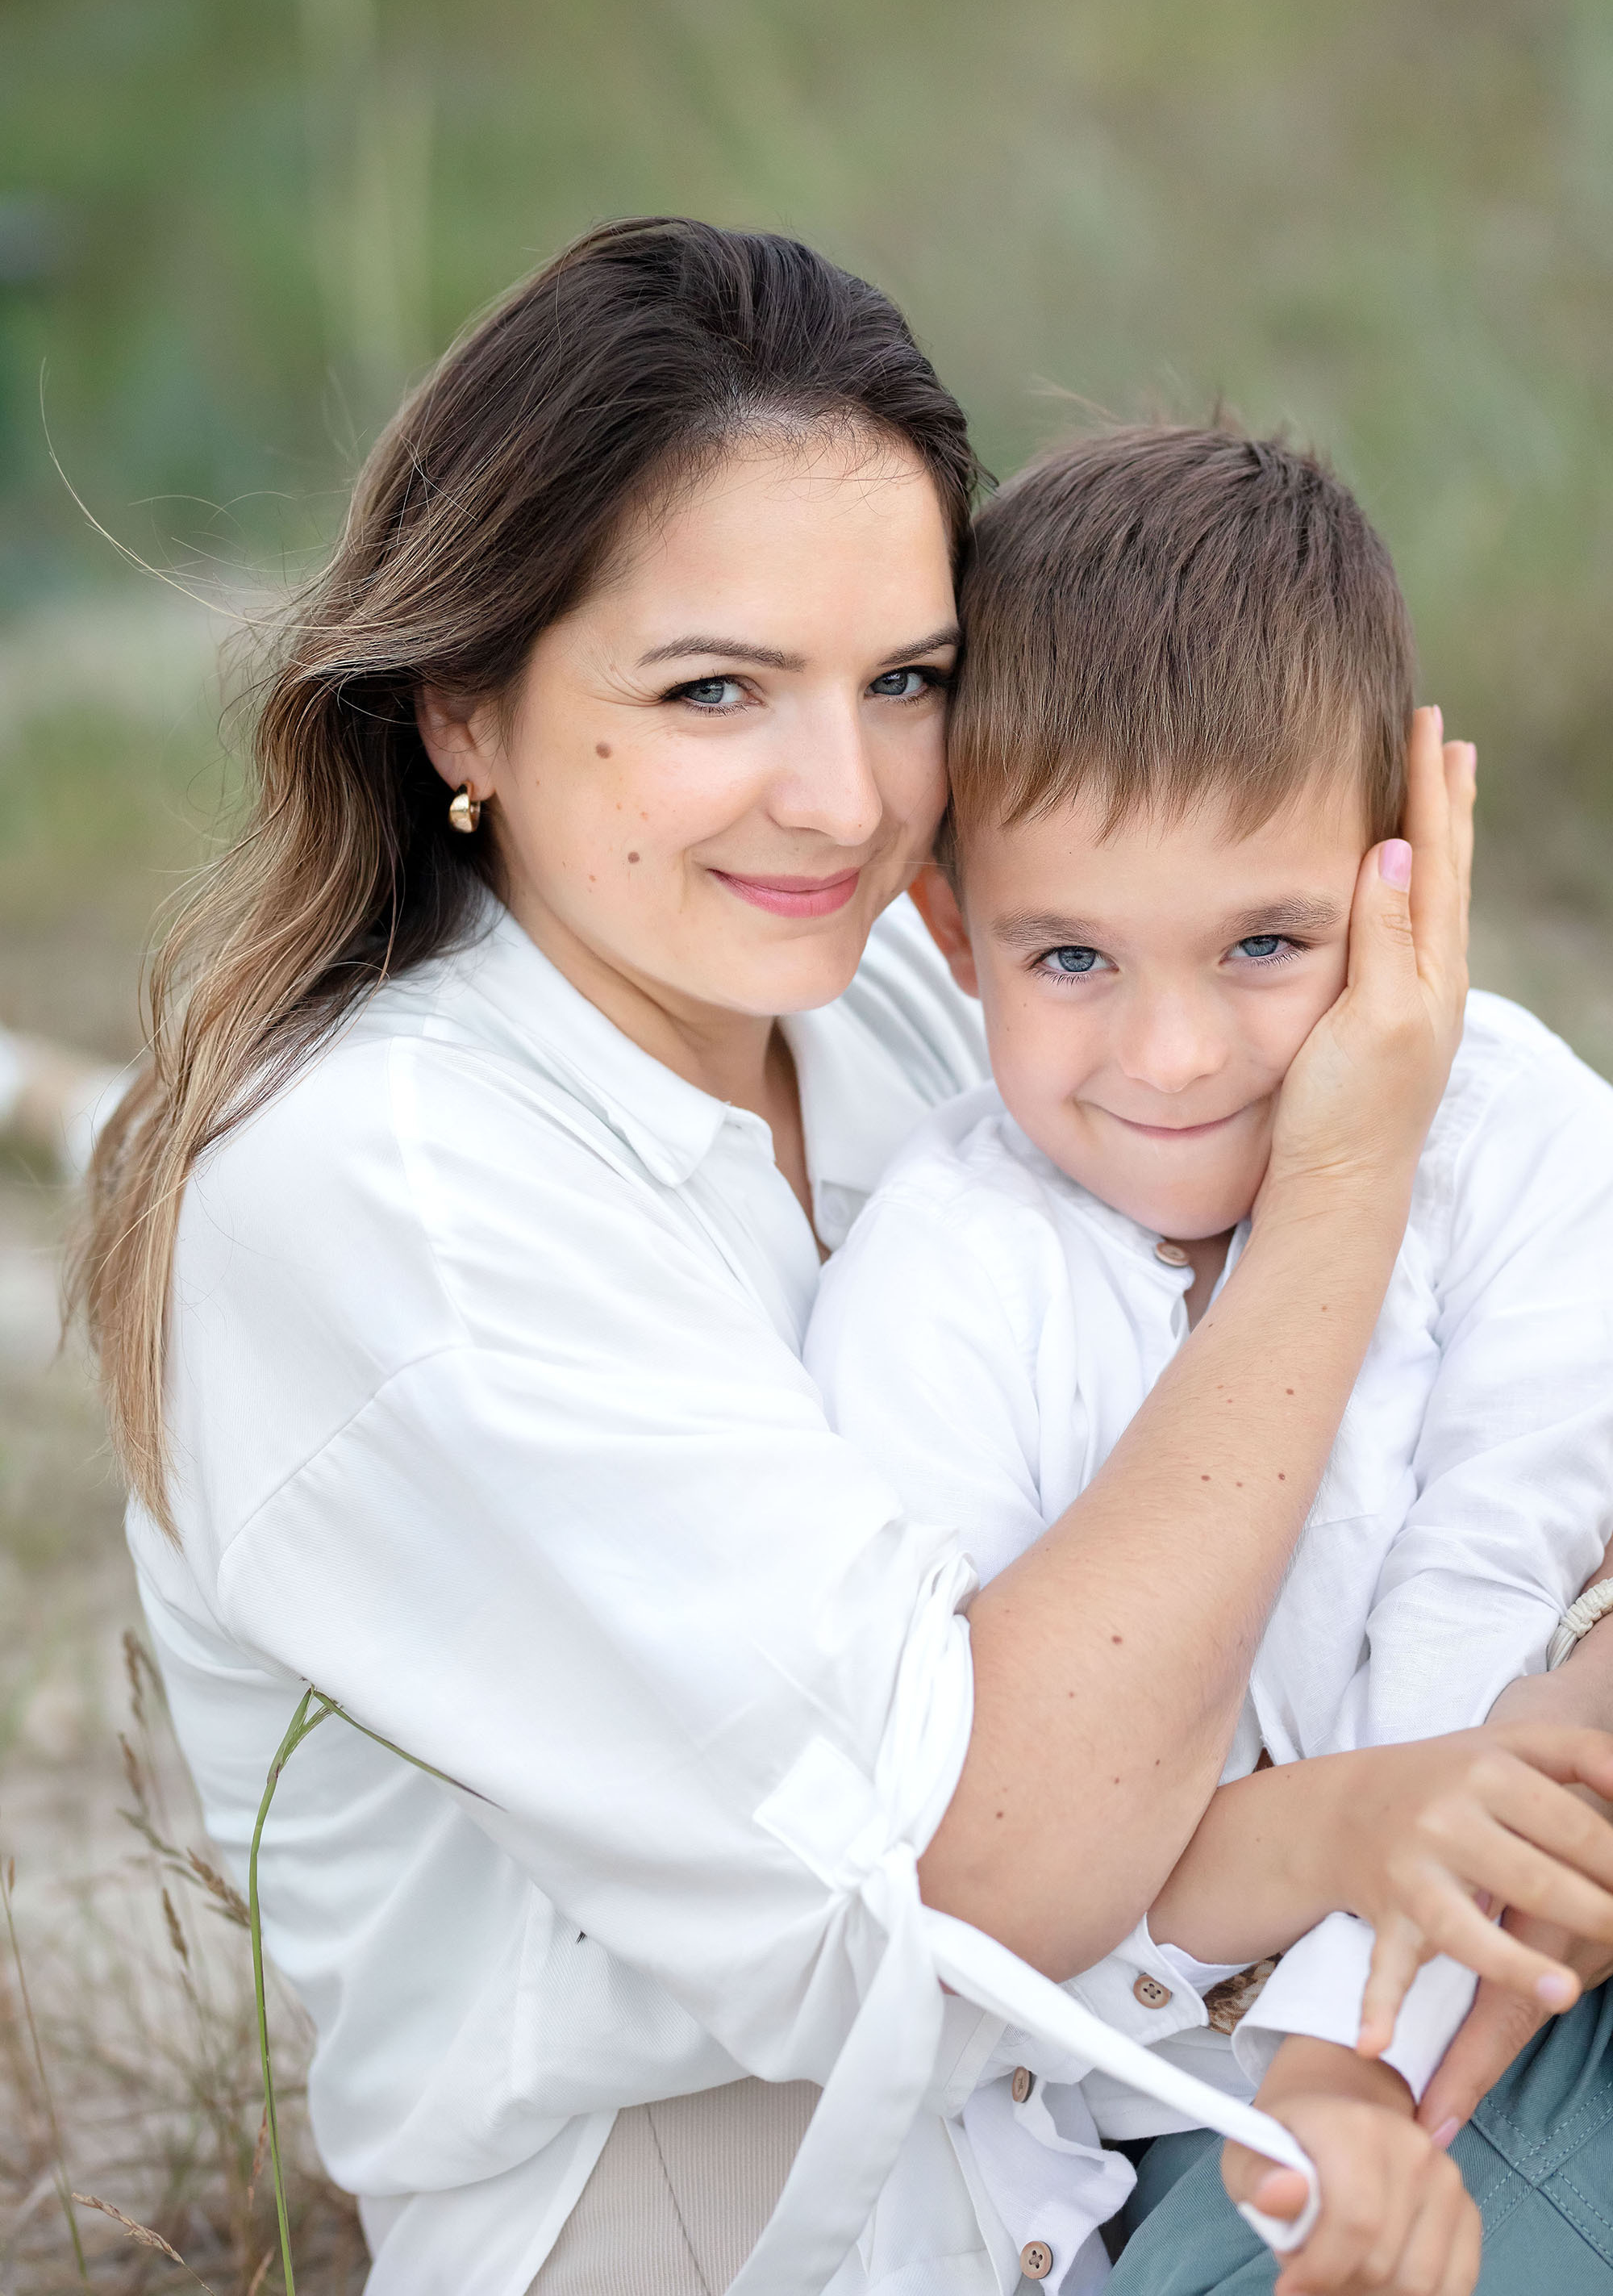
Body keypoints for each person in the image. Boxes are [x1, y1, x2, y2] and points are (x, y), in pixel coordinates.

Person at [69, 221, 1613, 2296]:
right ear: (463, 707)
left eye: (906, 684)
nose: (845, 798)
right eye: (715, 689)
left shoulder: (876, 986)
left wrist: (1540, 1788)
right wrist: (1341, 1177)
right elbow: (979, 1872)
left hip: (1185, 2055)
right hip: (787, 2211)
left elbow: (1483, 1422)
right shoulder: (387, 1193)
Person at [806, 423, 1613, 2292]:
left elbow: (1504, 1549)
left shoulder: (1509, 1131)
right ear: (950, 935)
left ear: (1405, 880)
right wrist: (1320, 2070)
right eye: (1072, 960)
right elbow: (981, 1865)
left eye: (1265, 941)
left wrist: (1360, 2041)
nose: (1172, 1059)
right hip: (1169, 2126)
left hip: (1510, 1976)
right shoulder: (941, 1285)